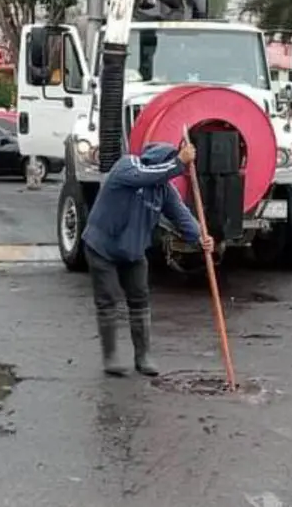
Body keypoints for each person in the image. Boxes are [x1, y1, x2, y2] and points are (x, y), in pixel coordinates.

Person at [81, 142, 214, 377]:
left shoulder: (164, 190)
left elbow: (182, 216)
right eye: (170, 164)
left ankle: (143, 356)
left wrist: (202, 237)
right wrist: (178, 162)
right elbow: (145, 176)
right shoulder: (128, 166)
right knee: (108, 299)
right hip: (102, 247)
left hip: (133, 252)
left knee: (140, 298)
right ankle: (110, 356)